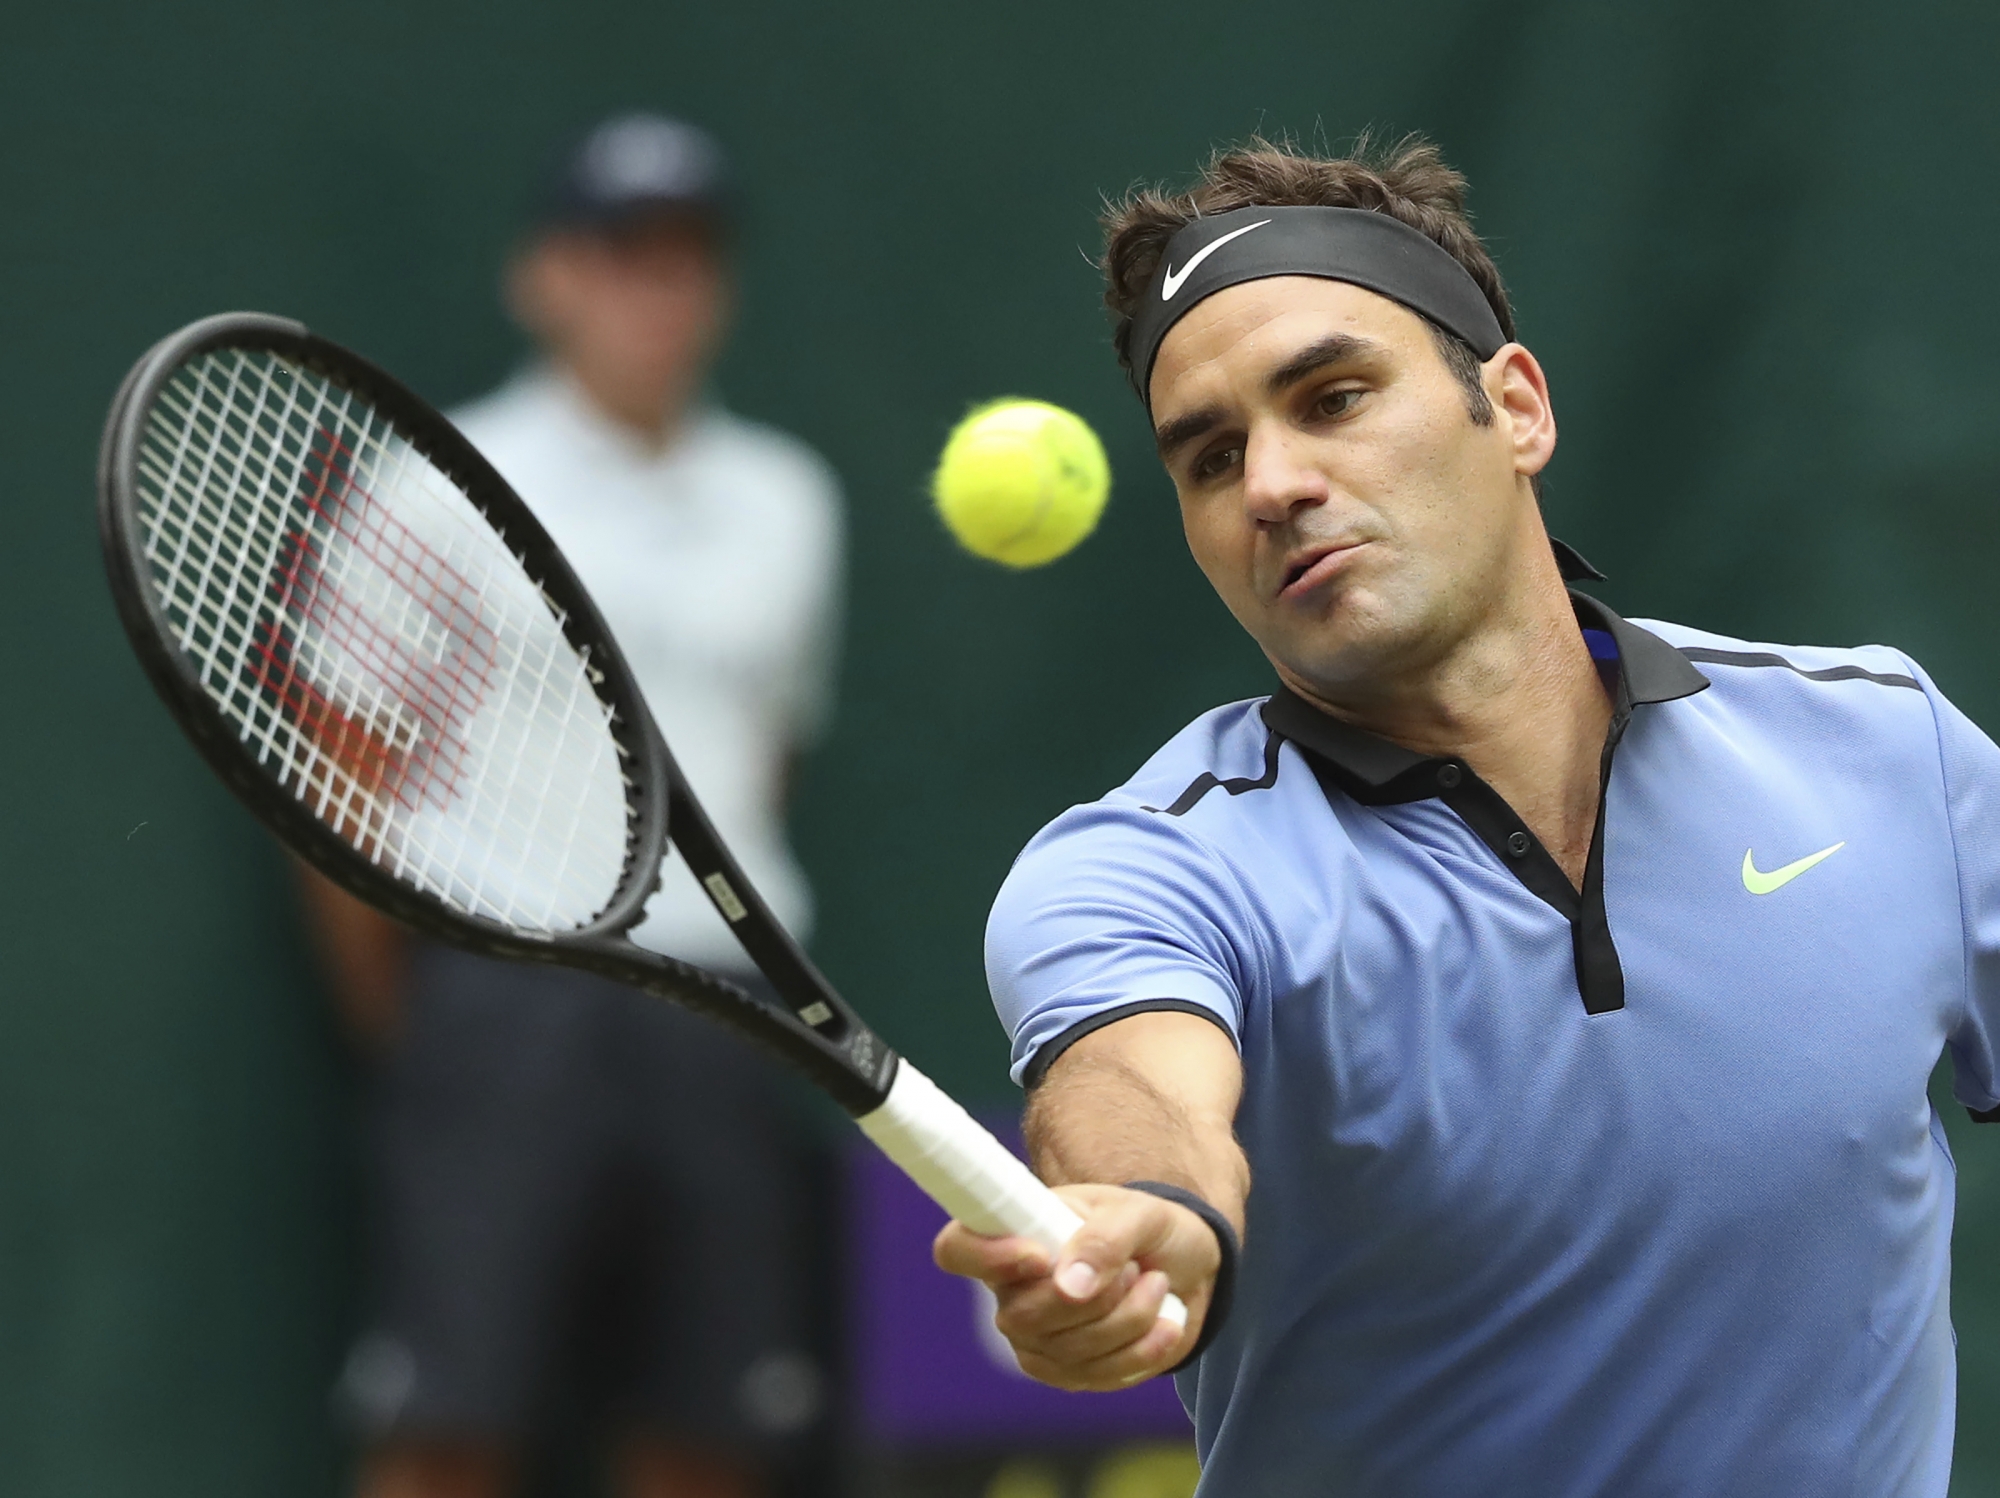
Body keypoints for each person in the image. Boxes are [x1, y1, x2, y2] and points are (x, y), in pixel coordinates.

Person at [933, 136, 1995, 1496]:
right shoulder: (1147, 866)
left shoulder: (1887, 750)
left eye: (1332, 395)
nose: (1272, 483)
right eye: (1209, 458)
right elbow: (1135, 1087)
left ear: (1518, 408)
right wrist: (1155, 1213)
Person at [300, 113, 844, 1498]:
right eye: (620, 256)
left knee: (713, 1432)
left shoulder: (788, 499)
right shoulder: (433, 488)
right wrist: (437, 1019)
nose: (656, 292)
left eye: (685, 259)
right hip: (503, 1001)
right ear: (545, 277)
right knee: (449, 1425)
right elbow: (340, 783)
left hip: (724, 1005)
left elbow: (761, 759)